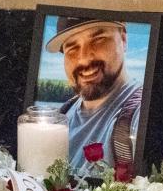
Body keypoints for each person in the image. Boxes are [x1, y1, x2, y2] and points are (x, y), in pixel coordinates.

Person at [46, 17, 143, 174]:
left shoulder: (141, 113)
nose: (84, 59)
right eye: (72, 48)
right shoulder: (61, 116)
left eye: (98, 39)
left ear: (123, 39)